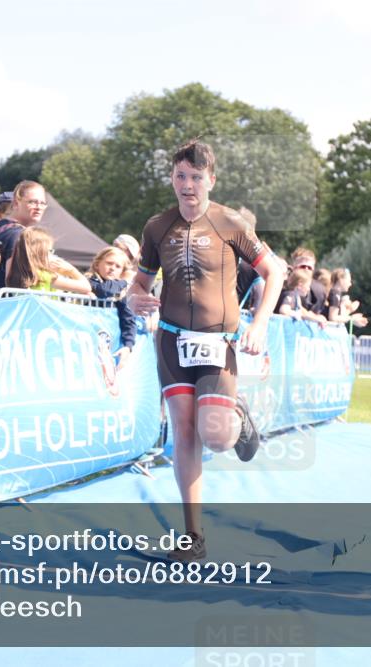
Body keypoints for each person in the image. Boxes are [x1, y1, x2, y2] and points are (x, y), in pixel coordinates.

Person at [125, 139, 284, 561]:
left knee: (213, 435)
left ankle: (236, 414)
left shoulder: (229, 223)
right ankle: (193, 538)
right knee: (184, 433)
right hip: (172, 342)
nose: (188, 185)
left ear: (211, 180)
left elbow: (275, 270)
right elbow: (138, 284)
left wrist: (261, 323)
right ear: (172, 179)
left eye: (196, 177)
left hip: (218, 343)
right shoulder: (157, 227)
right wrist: (133, 298)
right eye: (180, 176)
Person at [0, 181, 47, 296]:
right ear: (16, 204)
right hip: (6, 309)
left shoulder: (0, 228)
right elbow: (15, 284)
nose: (39, 207)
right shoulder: (18, 234)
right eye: (32, 202)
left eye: (42, 203)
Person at [87, 246, 138, 368]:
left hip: (108, 345)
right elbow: (105, 290)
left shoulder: (121, 291)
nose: (112, 268)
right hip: (87, 342)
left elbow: (129, 320)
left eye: (118, 266)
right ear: (97, 264)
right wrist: (125, 281)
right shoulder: (89, 281)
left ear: (122, 271)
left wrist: (128, 346)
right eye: (109, 263)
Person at [290, 247, 328, 321]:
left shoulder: (320, 290)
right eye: (303, 266)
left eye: (309, 267)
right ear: (294, 267)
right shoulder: (286, 285)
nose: (306, 269)